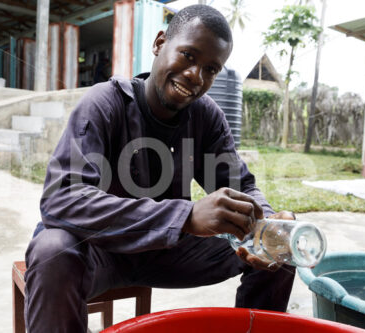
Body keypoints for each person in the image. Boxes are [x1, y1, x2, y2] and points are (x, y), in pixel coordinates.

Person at [24, 5, 295, 332]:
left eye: (210, 69)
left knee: (280, 247)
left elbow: (242, 186)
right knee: (52, 250)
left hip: (167, 253)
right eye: (188, 55)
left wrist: (266, 220)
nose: (195, 76)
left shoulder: (205, 117)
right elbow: (61, 201)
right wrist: (186, 216)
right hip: (99, 253)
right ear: (159, 43)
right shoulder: (105, 103)